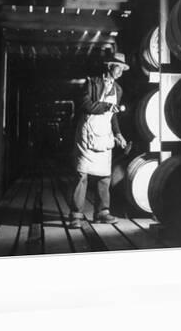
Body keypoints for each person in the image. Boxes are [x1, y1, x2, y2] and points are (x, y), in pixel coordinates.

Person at [69, 53, 130, 229]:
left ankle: (102, 211)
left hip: (104, 132)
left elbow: (113, 116)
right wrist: (107, 106)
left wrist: (118, 134)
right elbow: (85, 104)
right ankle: (76, 215)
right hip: (87, 132)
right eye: (118, 67)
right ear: (110, 66)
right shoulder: (92, 82)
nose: (121, 72)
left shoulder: (118, 89)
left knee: (105, 175)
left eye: (123, 69)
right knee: (82, 174)